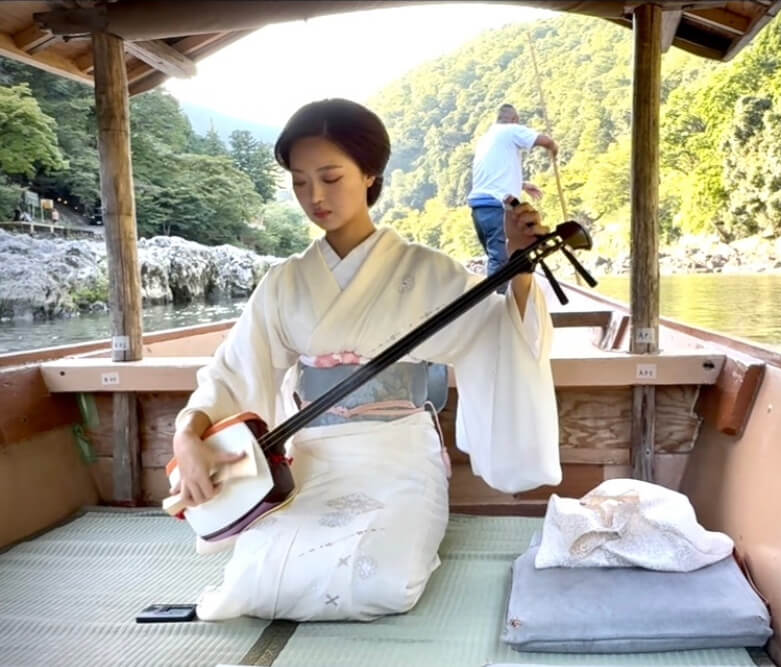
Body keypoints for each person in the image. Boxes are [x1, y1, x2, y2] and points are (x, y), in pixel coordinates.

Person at [170, 99, 561, 622]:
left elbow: (496, 332)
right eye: (301, 182)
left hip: (397, 455)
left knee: (383, 583)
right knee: (256, 584)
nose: (315, 196)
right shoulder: (285, 282)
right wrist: (187, 436)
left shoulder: (423, 271)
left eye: (331, 177)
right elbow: (232, 372)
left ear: (370, 173)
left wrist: (518, 269)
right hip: (314, 458)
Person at [467, 103, 558, 279]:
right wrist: (553, 147)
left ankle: (500, 297)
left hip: (479, 210)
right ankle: (498, 303)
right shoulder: (510, 130)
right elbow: (545, 141)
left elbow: (494, 174)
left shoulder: (486, 138)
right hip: (496, 207)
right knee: (502, 262)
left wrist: (522, 184)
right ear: (514, 120)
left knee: (498, 258)